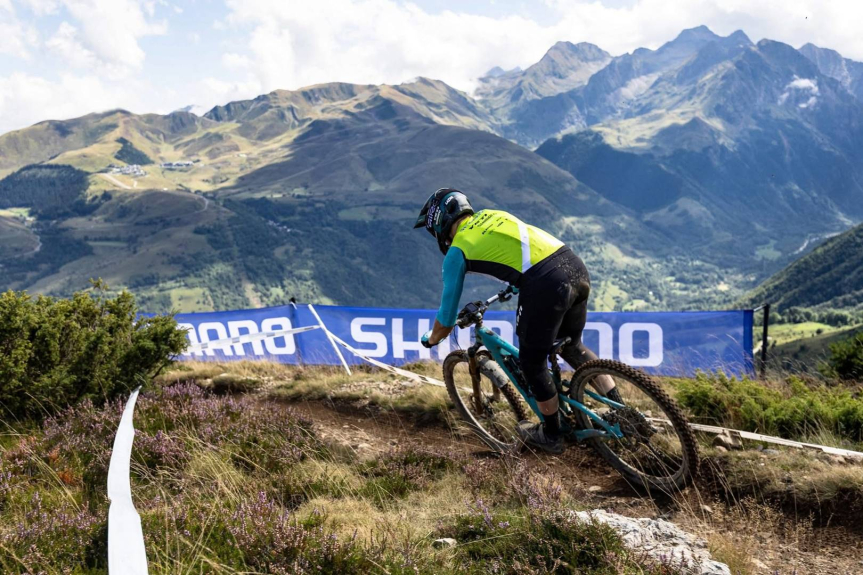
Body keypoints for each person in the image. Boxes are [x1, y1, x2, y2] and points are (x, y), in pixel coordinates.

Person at [414, 188, 620, 454]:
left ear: (440, 224)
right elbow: (522, 251)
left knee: (531, 362)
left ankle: (552, 435)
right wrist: (515, 285)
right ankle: (621, 410)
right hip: (572, 264)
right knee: (573, 347)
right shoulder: (492, 215)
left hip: (545, 283)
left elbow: (446, 317)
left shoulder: (457, 251)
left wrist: (432, 339)